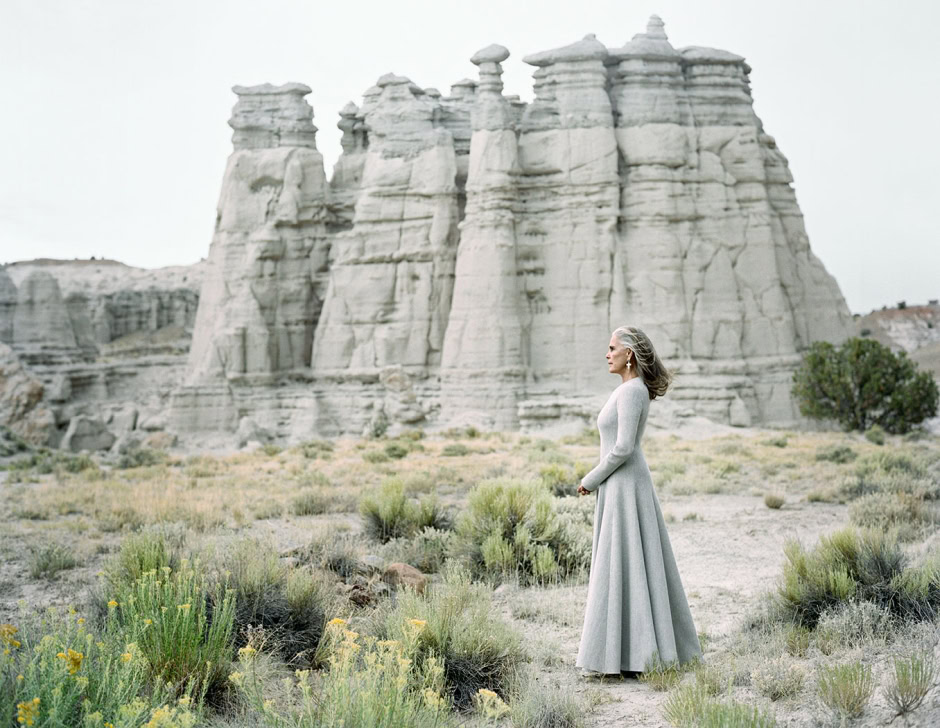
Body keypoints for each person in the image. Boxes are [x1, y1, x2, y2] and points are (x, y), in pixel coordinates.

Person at [575, 325, 702, 678]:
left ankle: (638, 656)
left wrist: (590, 479)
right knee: (623, 563)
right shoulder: (627, 390)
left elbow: (624, 447)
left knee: (630, 563)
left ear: (628, 354)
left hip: (626, 485)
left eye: (612, 348)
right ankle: (625, 654)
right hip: (618, 486)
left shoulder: (633, 392)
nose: (607, 353)